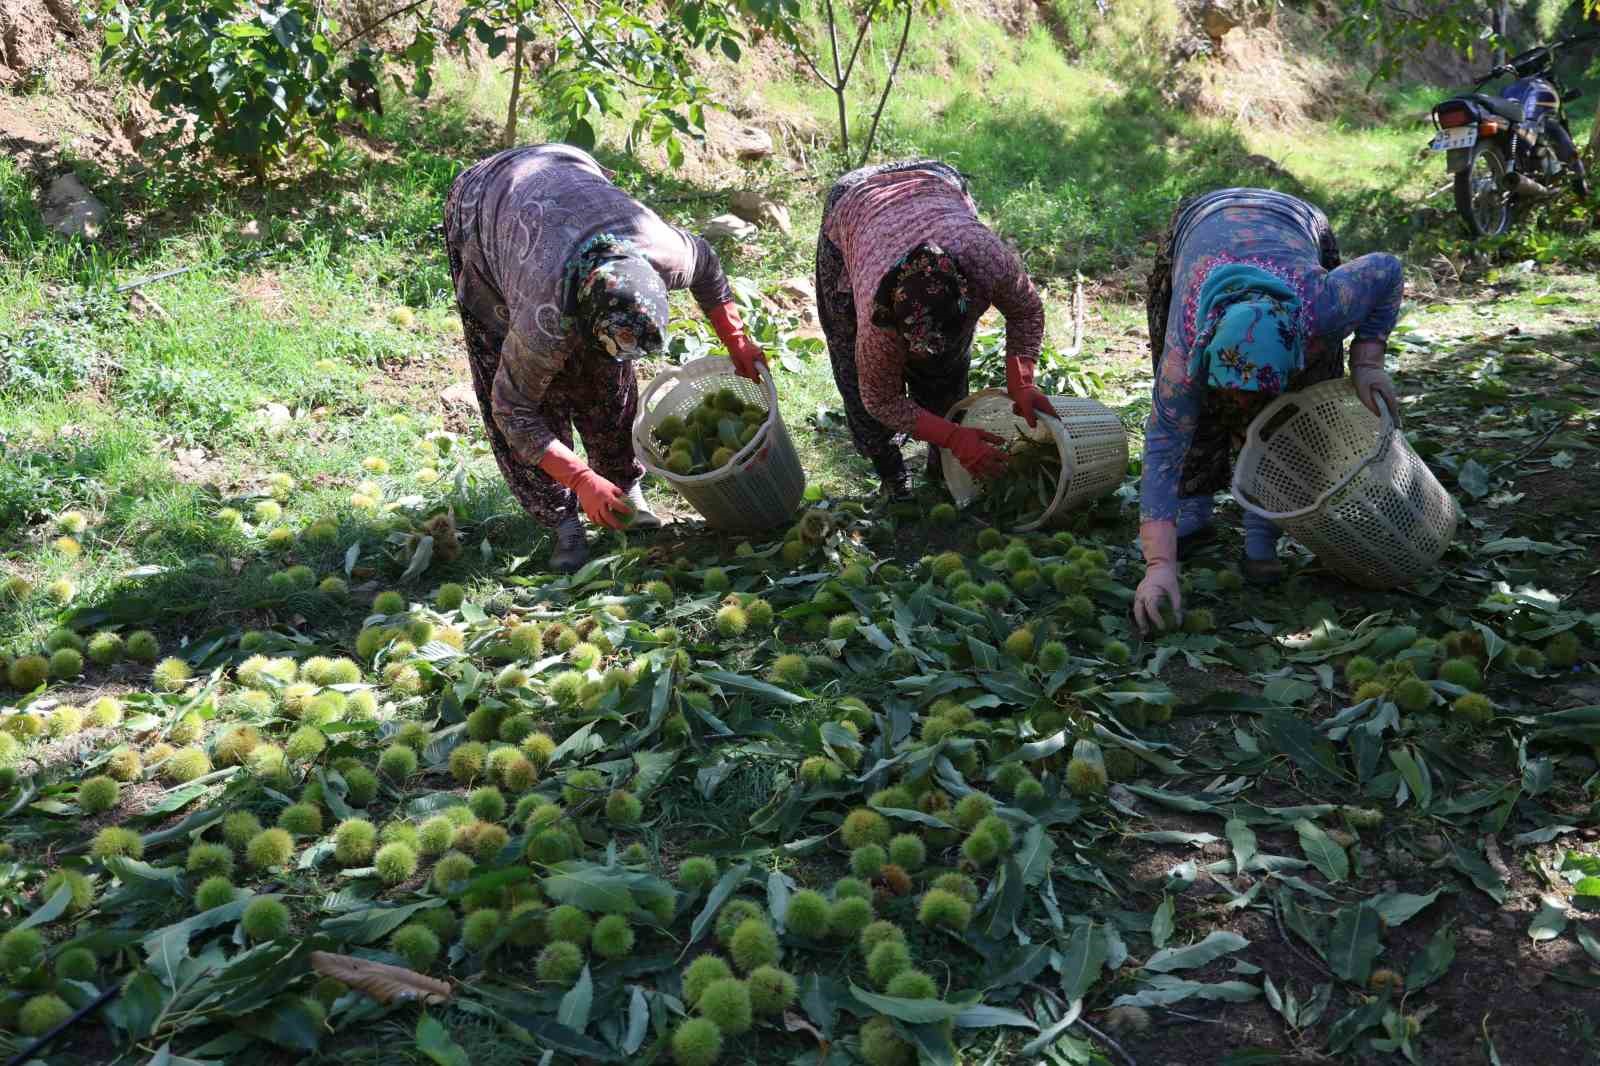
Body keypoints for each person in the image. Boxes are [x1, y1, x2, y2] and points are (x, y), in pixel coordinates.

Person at [443, 143, 766, 572]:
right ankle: (563, 523)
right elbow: (512, 409)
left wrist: (736, 338)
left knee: (608, 379)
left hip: (563, 168)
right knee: (540, 389)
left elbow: (706, 264)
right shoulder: (544, 316)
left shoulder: (661, 250)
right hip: (487, 204)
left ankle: (623, 486)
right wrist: (578, 478)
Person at [1134, 188, 1404, 634]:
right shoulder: (1183, 362)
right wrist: (1158, 565)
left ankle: (1264, 528)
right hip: (1201, 221)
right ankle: (1195, 510)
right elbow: (1163, 450)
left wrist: (1368, 362)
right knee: (1188, 414)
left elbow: (1387, 270)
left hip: (1298, 222)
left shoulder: (1325, 307)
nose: (1242, 411)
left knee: (1299, 414)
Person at [815, 159, 1051, 497]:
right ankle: (892, 476)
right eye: (914, 345)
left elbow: (1026, 310)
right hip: (855, 202)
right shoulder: (875, 319)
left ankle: (944, 470)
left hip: (932, 182)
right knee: (851, 362)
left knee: (946, 369)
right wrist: (954, 437)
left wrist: (1023, 382)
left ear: (966, 296)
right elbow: (879, 399)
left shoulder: (985, 260)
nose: (919, 354)